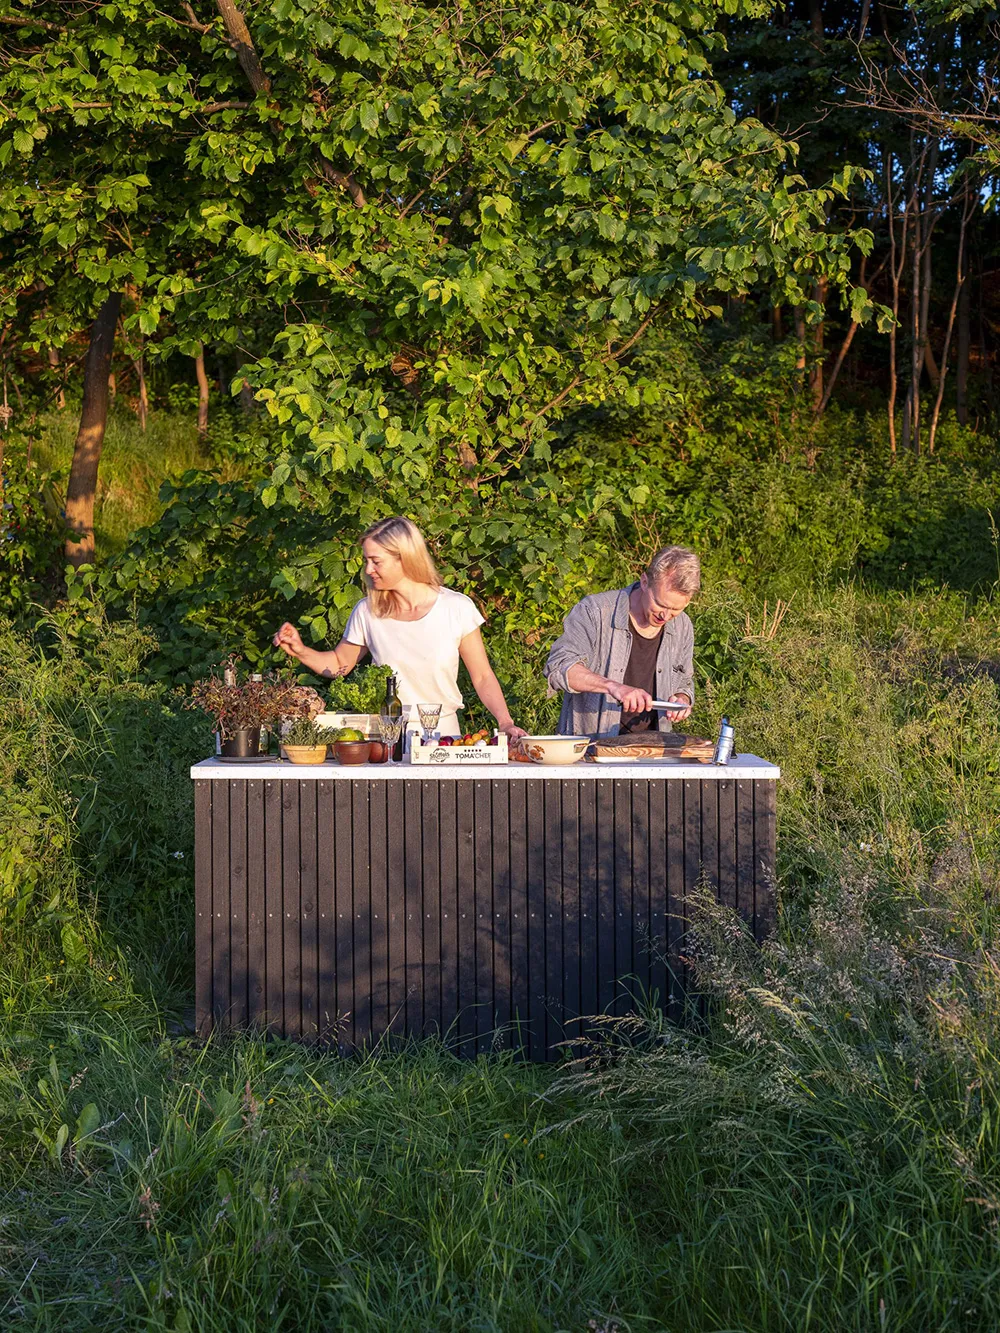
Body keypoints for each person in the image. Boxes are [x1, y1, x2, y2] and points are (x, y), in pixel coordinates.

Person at [273, 516, 526, 741]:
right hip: (385, 739)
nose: (368, 570)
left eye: (376, 561)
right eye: (366, 561)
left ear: (404, 559)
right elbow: (340, 664)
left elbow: (482, 676)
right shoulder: (367, 611)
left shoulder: (456, 608)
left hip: (444, 739)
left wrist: (505, 722)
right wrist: (300, 651)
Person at [544, 546, 699, 737]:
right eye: (660, 604)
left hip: (654, 752)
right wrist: (614, 687)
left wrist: (682, 699)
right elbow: (559, 667)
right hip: (591, 749)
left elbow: (684, 680)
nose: (665, 615)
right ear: (644, 582)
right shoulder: (595, 611)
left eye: (675, 610)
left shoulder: (683, 626)